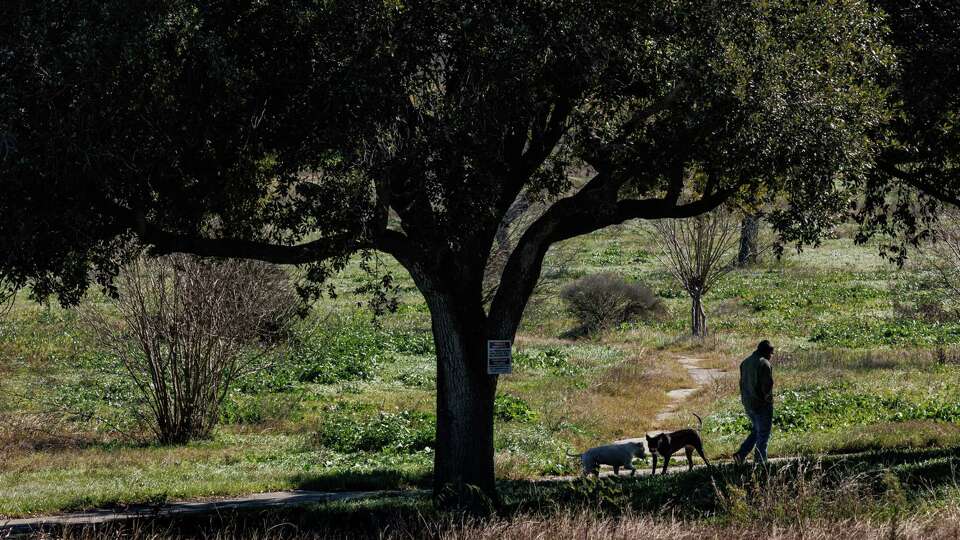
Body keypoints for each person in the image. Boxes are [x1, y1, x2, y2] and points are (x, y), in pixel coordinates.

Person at [734, 340, 774, 464]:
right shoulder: (764, 363)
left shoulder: (745, 362)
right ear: (766, 352)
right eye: (771, 353)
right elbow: (767, 387)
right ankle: (760, 463)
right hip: (761, 405)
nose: (771, 356)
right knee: (763, 434)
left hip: (748, 403)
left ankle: (740, 455)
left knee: (757, 430)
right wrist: (769, 401)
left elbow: (742, 384)